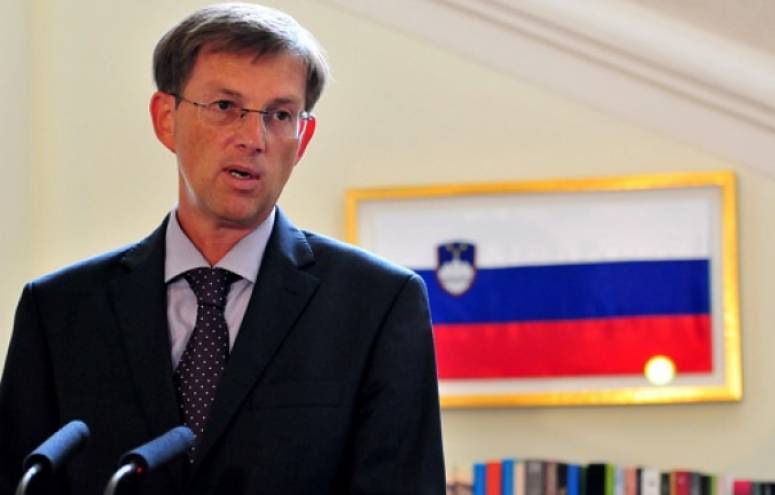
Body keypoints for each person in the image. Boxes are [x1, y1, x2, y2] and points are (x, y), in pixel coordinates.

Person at [0, 3, 445, 494]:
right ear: (165, 118)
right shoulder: (59, 311)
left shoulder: (377, 305)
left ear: (303, 139)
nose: (253, 138)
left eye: (280, 115)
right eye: (225, 107)